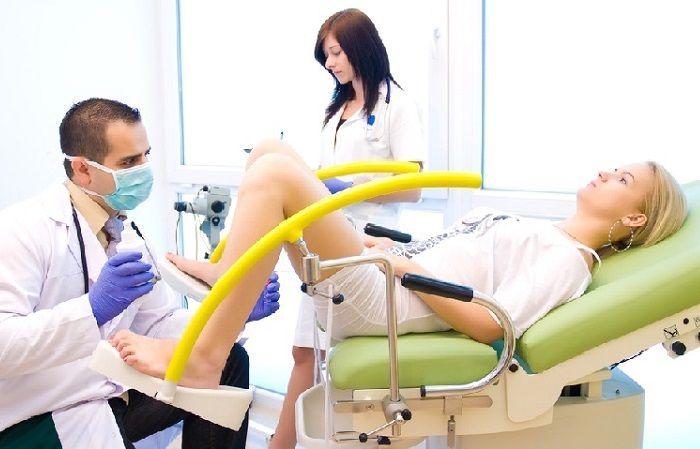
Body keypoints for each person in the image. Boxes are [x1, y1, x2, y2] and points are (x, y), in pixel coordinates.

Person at [109, 139, 687, 397]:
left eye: (623, 179)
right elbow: (454, 254)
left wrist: (401, 268)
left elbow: (494, 326)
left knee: (276, 176)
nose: (606, 172)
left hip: (387, 299)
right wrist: (378, 245)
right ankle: (231, 271)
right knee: (269, 152)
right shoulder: (547, 232)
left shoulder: (568, 260)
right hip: (383, 274)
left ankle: (206, 356)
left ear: (635, 219)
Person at [0, 98, 280, 449]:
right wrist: (92, 310)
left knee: (229, 360)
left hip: (110, 392)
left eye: (146, 155)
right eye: (129, 162)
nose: (144, 170)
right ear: (83, 169)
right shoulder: (22, 230)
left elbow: (159, 321)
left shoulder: (124, 230)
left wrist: (231, 314)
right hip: (43, 411)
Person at [275, 9, 429, 447]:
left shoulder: (397, 106)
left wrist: (352, 188)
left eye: (336, 52)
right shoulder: (338, 109)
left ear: (360, 47)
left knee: (322, 353)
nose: (330, 63)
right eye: (326, 55)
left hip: (367, 239)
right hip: (328, 233)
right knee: (306, 350)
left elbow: (413, 187)